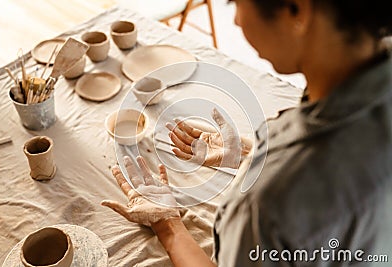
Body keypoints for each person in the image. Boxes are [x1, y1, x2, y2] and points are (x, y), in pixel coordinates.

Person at [101, 0, 392, 266]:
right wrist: (248, 153)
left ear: (296, 9)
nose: (237, 21)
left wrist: (168, 223)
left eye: (237, 3)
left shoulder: (269, 202)